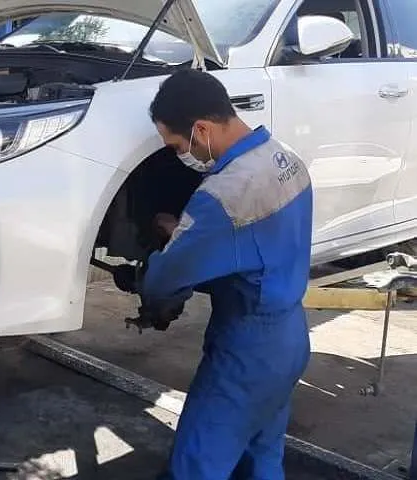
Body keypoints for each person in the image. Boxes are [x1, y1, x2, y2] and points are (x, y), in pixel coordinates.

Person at [142, 69, 313, 479]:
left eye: (177, 145)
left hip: (248, 353)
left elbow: (163, 281)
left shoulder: (223, 196)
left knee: (196, 465)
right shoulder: (285, 158)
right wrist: (194, 234)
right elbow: (255, 239)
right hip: (290, 337)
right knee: (261, 457)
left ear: (201, 129)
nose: (180, 155)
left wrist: (165, 257)